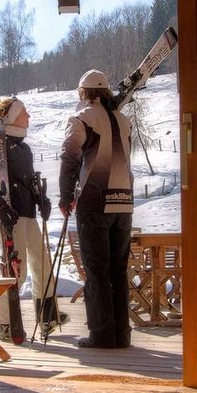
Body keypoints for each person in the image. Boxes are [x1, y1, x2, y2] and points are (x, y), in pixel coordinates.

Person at [0, 96, 68, 341]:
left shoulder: (24, 149)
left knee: (42, 262)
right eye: (24, 112)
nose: (28, 116)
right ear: (11, 117)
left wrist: (42, 199)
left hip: (27, 212)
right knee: (15, 269)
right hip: (8, 214)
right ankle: (3, 323)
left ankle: (47, 315)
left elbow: (28, 181)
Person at [58, 69, 134, 349]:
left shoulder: (81, 120)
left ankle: (101, 335)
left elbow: (70, 159)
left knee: (97, 271)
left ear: (83, 93)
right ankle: (122, 334)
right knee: (118, 270)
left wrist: (65, 198)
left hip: (94, 202)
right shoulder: (124, 120)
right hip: (124, 202)